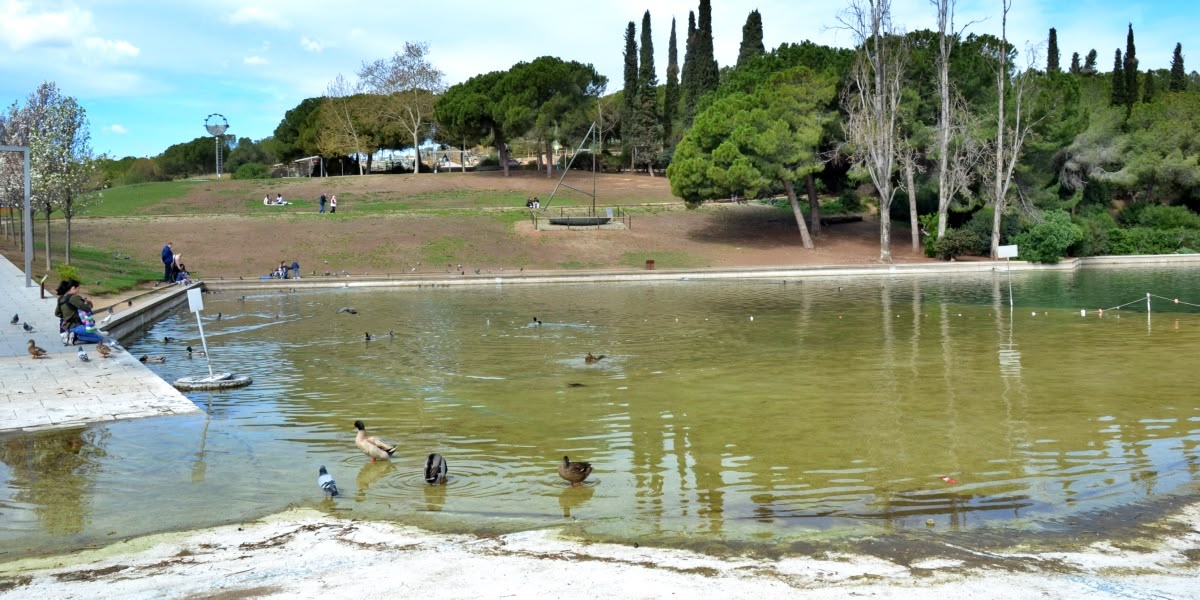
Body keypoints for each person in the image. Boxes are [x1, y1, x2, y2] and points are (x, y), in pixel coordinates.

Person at [54, 279, 103, 345]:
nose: (78, 291)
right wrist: (86, 305)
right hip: (76, 326)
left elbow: (57, 313)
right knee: (99, 338)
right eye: (78, 288)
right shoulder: (74, 297)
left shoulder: (60, 298)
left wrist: (67, 317)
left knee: (92, 334)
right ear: (73, 288)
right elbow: (86, 308)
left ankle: (72, 335)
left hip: (67, 327)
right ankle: (75, 337)